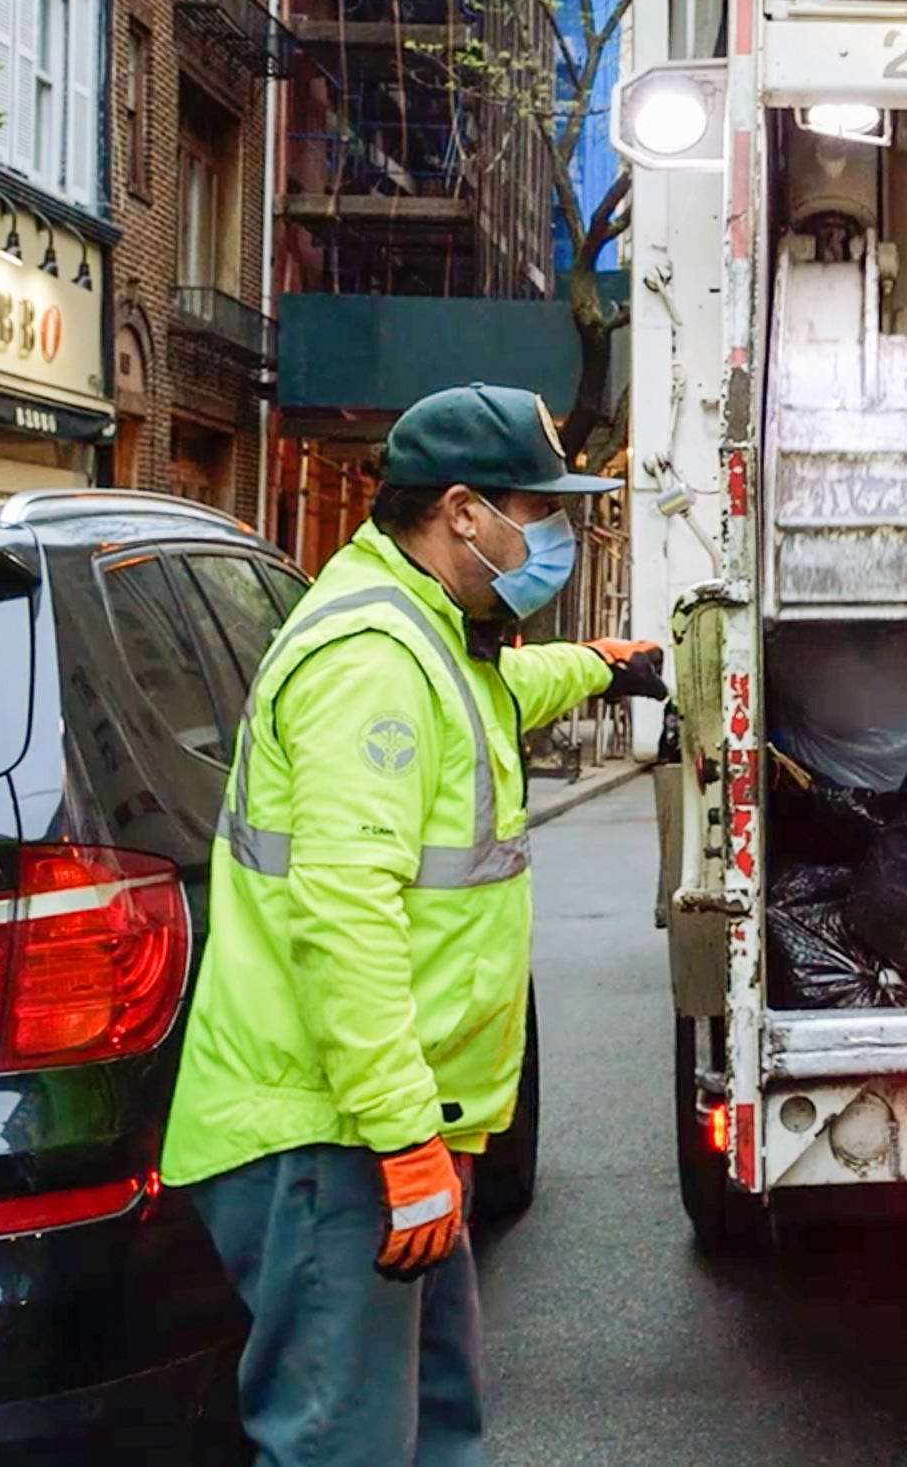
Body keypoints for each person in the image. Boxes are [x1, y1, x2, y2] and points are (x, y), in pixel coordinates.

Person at [161, 383, 668, 1467]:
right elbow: (344, 918)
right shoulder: (372, 662)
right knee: (344, 1445)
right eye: (539, 513)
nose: (555, 538)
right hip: (332, 1140)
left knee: (434, 1425)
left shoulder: (424, 627)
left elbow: (485, 696)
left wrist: (605, 666)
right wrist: (400, 1144)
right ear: (462, 512)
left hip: (383, 1131)